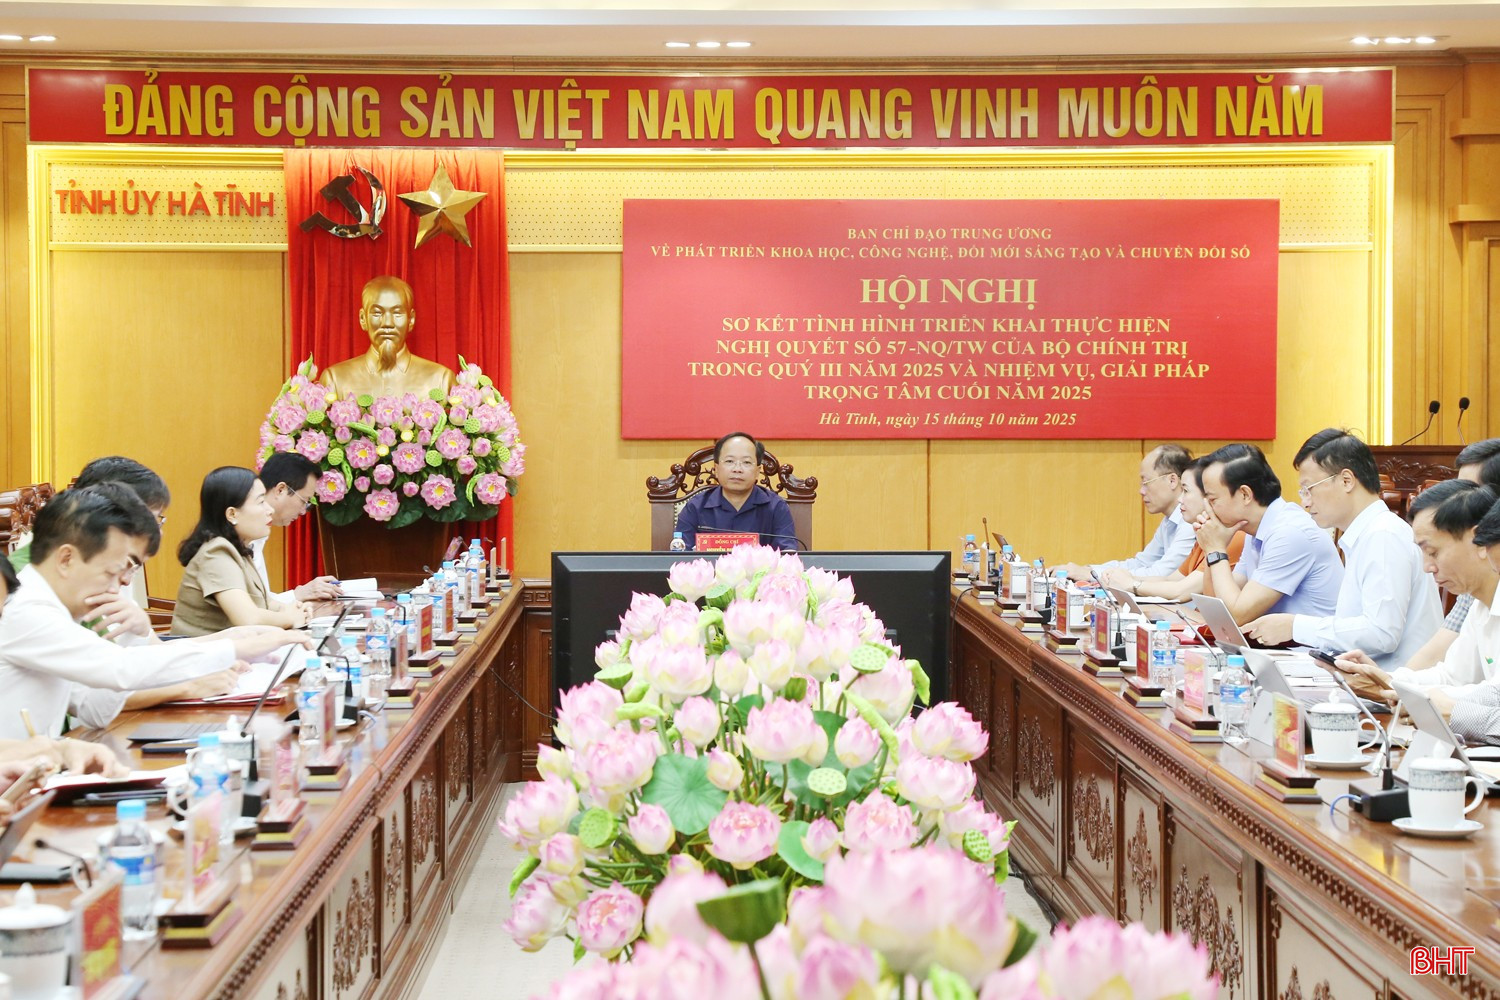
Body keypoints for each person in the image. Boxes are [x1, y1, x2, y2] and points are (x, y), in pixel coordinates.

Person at [0, 484, 306, 740]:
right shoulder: (27, 610)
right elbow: (119, 668)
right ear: (66, 559)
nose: (118, 585)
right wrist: (234, 649)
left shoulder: (58, 612)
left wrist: (140, 639)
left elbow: (94, 707)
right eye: (111, 572)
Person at [1243, 429, 1441, 664]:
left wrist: (1294, 626)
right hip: (1365, 675)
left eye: (1309, 489)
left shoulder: (1383, 535)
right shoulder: (1366, 534)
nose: (1305, 502)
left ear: (1346, 481)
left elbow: (1381, 634)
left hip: (1393, 680)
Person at [1334, 481, 1500, 704]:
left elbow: (1495, 695)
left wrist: (1404, 692)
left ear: (1478, 541)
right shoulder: (1479, 606)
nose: (1427, 567)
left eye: (1433, 552)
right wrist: (1387, 679)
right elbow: (1452, 677)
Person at [1195, 442, 1342, 624]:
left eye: (1212, 500)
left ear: (1245, 495)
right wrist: (1212, 548)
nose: (1207, 509)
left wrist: (1215, 549)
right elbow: (1216, 605)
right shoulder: (1255, 530)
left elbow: (1237, 615)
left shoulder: (1290, 533)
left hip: (1310, 642)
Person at [173, 467, 314, 635]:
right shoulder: (216, 552)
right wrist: (290, 618)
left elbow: (266, 603)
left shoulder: (239, 548)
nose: (270, 510)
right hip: (203, 651)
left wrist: (295, 609)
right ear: (232, 514)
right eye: (261, 502)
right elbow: (248, 619)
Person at [1060, 444, 1196, 586]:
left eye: (1146, 482)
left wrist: (1092, 575)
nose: (1141, 491)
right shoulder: (1169, 520)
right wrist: (1088, 570)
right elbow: (1141, 563)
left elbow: (1162, 574)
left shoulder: (1190, 522)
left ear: (1172, 480)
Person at [1119, 457, 1246, 601]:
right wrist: (1126, 578)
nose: (1180, 499)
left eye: (1185, 491)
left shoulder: (1232, 535)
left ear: (1209, 495)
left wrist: (1132, 584)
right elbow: (1171, 580)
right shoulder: (1204, 532)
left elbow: (1180, 591)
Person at [319, 275, 456, 402]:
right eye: (377, 313)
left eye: (397, 313)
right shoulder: (335, 380)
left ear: (411, 319)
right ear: (363, 318)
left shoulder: (440, 380)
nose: (387, 323)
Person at [674, 432, 799, 550]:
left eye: (746, 462)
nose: (737, 469)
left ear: (757, 471)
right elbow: (681, 556)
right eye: (729, 461)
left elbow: (787, 555)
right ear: (716, 469)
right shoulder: (695, 507)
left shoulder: (776, 507)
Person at [252, 451, 340, 602]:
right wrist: (298, 595)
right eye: (303, 501)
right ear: (280, 490)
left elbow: (262, 600)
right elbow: (253, 607)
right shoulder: (242, 532)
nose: (303, 511)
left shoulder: (259, 529)